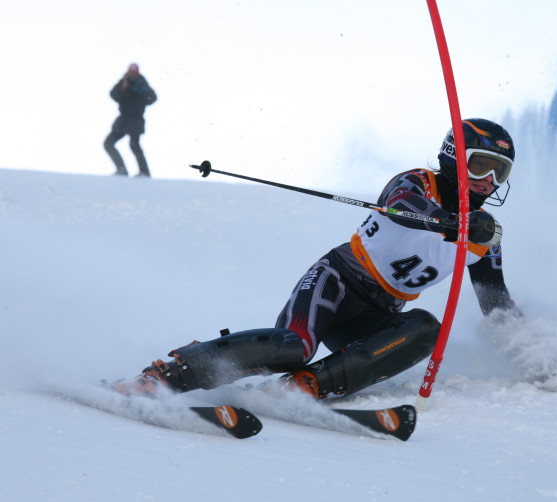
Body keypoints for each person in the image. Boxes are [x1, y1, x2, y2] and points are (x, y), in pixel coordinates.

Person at [113, 118, 519, 399]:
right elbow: (403, 203)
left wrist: (534, 352)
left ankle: (307, 387)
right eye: (480, 165)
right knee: (293, 346)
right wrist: (453, 223)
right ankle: (167, 376)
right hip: (337, 282)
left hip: (377, 313)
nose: (488, 180)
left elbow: (496, 305)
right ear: (453, 155)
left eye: (498, 173)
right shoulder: (417, 183)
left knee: (428, 328)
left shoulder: (484, 237)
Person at [103, 63, 157, 177]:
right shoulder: (123, 82)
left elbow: (152, 98)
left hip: (136, 120)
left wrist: (143, 91)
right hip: (123, 120)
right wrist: (123, 88)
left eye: (134, 73)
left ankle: (144, 172)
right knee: (108, 143)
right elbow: (113, 95)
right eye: (131, 73)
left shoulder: (142, 83)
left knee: (134, 145)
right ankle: (122, 169)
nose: (132, 75)